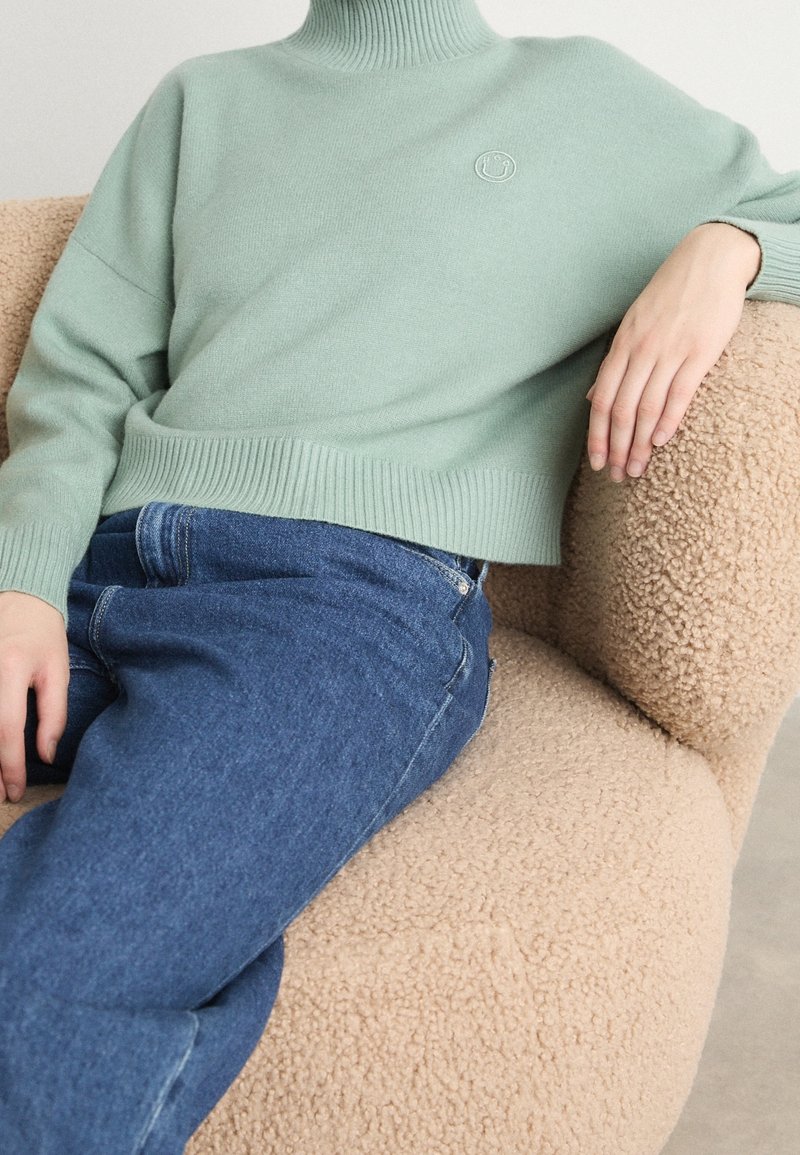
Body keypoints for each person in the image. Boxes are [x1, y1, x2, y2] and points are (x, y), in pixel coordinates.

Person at [0, 1, 798, 1150]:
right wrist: (23, 582)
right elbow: (76, 381)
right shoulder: (200, 100)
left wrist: (733, 246)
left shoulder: (585, 98)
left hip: (337, 607)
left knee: (54, 970)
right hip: (91, 571)